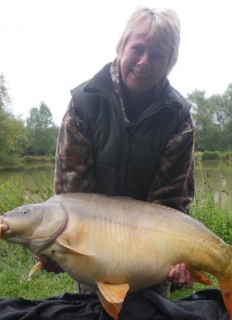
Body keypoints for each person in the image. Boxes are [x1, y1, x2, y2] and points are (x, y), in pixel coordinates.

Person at [39, 6, 195, 299]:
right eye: (137, 49)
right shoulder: (84, 106)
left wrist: (179, 258)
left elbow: (171, 203)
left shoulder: (179, 119)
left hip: (151, 256)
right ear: (121, 46)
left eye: (158, 55)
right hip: (95, 254)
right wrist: (57, 248)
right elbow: (72, 199)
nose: (144, 62)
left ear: (170, 62)